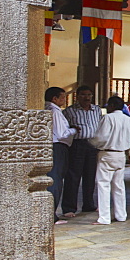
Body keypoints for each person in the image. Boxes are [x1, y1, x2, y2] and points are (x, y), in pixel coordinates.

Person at [89, 96, 130, 225]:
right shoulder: (128, 120)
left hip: (107, 153)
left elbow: (100, 137)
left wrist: (92, 142)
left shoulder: (108, 118)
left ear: (112, 105)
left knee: (103, 185)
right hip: (121, 155)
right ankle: (121, 215)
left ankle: (104, 217)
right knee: (118, 186)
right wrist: (124, 143)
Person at [61, 85, 103, 218]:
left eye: (89, 95)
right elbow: (64, 128)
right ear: (77, 96)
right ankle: (69, 207)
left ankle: (89, 204)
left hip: (92, 144)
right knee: (73, 176)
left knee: (90, 176)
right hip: (77, 144)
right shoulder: (69, 111)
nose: (87, 98)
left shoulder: (96, 110)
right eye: (84, 95)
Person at [45, 87, 76, 224]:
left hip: (55, 146)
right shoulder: (55, 112)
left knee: (55, 179)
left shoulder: (51, 110)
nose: (64, 100)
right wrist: (74, 129)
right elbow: (62, 133)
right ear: (54, 99)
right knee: (55, 180)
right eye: (62, 97)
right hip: (57, 146)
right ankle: (52, 215)